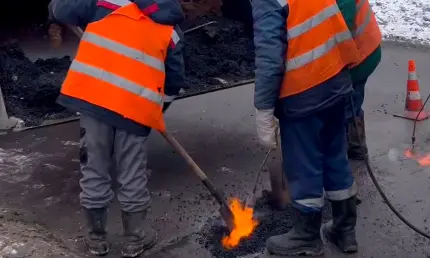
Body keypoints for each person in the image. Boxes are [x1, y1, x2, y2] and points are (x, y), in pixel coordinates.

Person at [48, 0, 185, 257]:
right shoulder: (172, 25)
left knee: (94, 169)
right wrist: (155, 110)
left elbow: (61, 9)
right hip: (135, 112)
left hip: (94, 102)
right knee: (132, 173)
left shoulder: (102, 3)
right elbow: (175, 79)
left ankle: (96, 239)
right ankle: (135, 239)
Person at [252, 0, 361, 255]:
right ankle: (345, 231)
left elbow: (270, 56)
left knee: (303, 164)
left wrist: (264, 109)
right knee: (335, 156)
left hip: (304, 91)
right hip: (335, 78)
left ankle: (306, 237)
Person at [345, 0, 382, 160]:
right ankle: (355, 144)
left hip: (361, 55)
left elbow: (342, 24)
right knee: (351, 100)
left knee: (348, 102)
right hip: (362, 49)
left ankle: (353, 145)